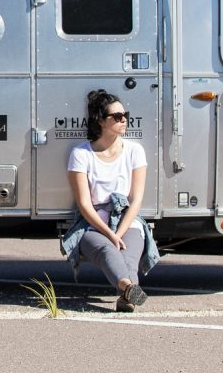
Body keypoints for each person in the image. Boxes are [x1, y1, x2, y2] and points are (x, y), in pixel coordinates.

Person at [61, 89, 157, 312]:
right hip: (92, 225)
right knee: (107, 250)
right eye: (117, 116)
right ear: (101, 121)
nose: (124, 120)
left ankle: (126, 292)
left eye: (125, 115)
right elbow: (84, 204)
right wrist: (110, 233)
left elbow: (136, 200)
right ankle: (128, 291)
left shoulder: (135, 151)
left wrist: (120, 232)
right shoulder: (81, 153)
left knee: (129, 258)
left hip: (127, 221)